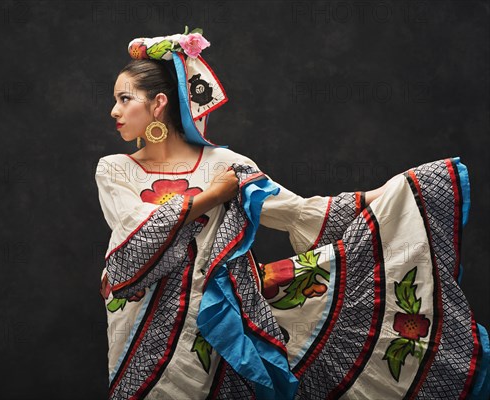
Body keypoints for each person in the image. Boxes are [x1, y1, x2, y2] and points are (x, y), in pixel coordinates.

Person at [95, 27, 489, 400]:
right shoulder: (114, 168)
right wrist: (211, 196)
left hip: (212, 323)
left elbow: (297, 212)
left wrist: (381, 196)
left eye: (124, 98)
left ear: (158, 103)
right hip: (136, 321)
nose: (114, 111)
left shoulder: (226, 163)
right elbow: (133, 238)